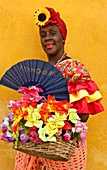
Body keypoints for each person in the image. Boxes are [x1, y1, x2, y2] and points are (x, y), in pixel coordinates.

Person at [14, 7, 104, 170]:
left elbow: (83, 116)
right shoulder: (38, 72)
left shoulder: (74, 69)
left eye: (52, 32)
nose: (48, 38)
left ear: (63, 37)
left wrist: (56, 118)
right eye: (43, 35)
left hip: (64, 149)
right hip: (36, 150)